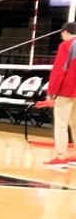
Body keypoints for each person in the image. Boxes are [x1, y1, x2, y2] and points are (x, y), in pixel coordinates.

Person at [45, 21, 76, 167]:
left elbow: (59, 71)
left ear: (65, 32)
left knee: (61, 124)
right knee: (75, 123)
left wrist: (51, 92)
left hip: (66, 90)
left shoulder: (66, 46)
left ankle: (61, 156)